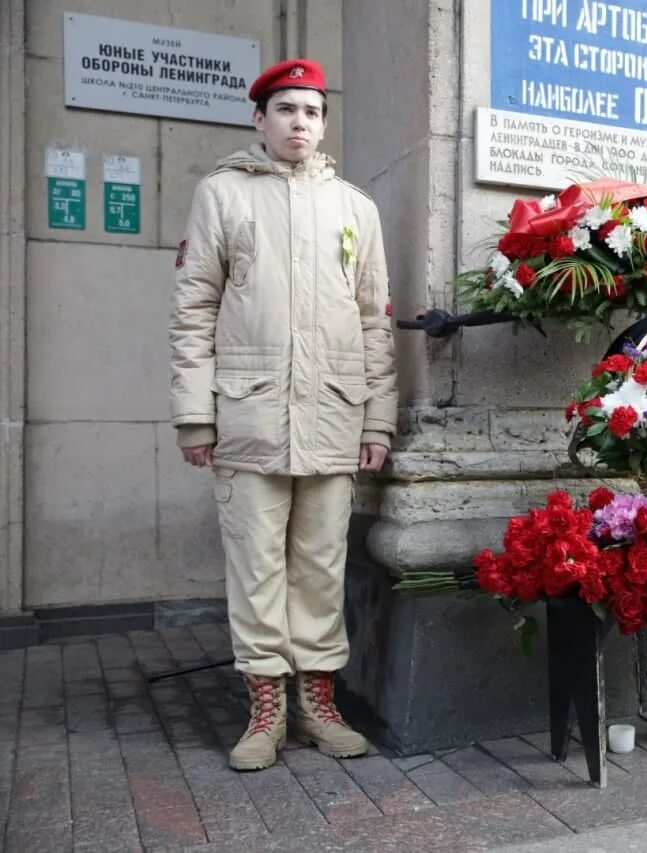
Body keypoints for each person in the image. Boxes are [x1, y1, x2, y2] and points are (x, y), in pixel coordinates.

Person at [168, 58, 397, 770]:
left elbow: (375, 322)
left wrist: (378, 420)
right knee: (257, 567)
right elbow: (193, 309)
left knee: (321, 568)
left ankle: (318, 705)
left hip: (332, 416)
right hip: (249, 418)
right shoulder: (222, 194)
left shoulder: (356, 208)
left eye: (312, 111)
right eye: (286, 109)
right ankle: (265, 712)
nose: (301, 122)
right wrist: (194, 417)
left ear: (323, 124)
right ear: (258, 119)